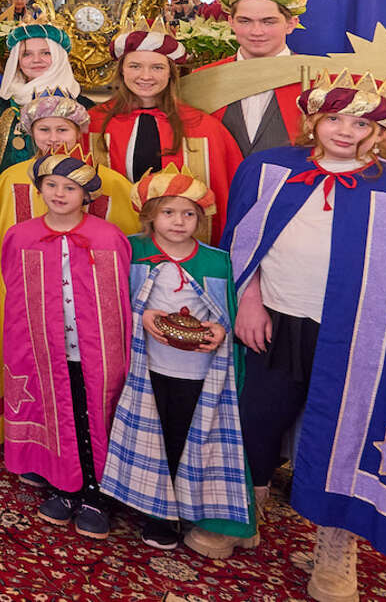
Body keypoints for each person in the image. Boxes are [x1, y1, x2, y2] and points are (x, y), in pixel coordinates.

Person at [223, 69, 386, 592]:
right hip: (275, 319)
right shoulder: (268, 169)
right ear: (312, 121)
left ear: (380, 131)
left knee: (346, 435)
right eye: (334, 119)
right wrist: (248, 299)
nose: (345, 131)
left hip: (360, 337)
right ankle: (241, 510)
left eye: (360, 123)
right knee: (256, 416)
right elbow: (243, 242)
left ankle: (335, 549)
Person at [97, 169, 256, 556]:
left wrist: (220, 331)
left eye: (188, 214)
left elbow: (229, 312)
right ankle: (150, 509)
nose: (179, 222)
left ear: (201, 219)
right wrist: (143, 316)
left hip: (195, 373)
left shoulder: (217, 262)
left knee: (183, 439)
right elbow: (109, 303)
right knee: (148, 437)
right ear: (150, 215)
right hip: (145, 370)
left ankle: (180, 510)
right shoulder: (132, 252)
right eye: (168, 212)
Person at [0, 93, 139, 444]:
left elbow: (128, 248)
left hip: (85, 311)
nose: (53, 138)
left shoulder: (112, 183)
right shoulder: (11, 179)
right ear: (31, 133)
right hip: (25, 304)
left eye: (63, 129)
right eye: (44, 130)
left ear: (79, 132)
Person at [0, 154, 134, 540]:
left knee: (93, 413)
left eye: (70, 187)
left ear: (86, 195)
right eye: (51, 185)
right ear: (39, 189)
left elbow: (121, 297)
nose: (59, 193)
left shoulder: (108, 238)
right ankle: (63, 484)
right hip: (44, 348)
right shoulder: (21, 236)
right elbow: (13, 289)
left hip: (95, 350)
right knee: (55, 410)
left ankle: (97, 493)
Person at [87, 26, 242, 237]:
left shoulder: (203, 127)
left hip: (181, 241)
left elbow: (227, 194)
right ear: (122, 70)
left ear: (171, 73)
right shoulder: (95, 122)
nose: (145, 76)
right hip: (114, 237)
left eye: (157, 67)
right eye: (135, 66)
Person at [200, 0, 308, 155]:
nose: (256, 31)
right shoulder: (204, 80)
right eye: (245, 21)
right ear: (231, 22)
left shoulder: (315, 79)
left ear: (291, 24)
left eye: (268, 22)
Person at [0, 19, 84, 171]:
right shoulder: (3, 102)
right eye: (27, 54)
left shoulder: (81, 105)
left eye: (46, 53)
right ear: (17, 61)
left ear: (59, 56)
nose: (36, 60)